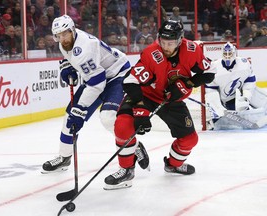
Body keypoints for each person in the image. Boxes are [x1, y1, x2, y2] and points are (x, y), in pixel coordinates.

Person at [104, 19, 216, 190]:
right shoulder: (151, 54)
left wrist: (188, 84)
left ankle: (173, 164)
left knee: (189, 139)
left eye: (170, 43)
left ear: (180, 40)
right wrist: (141, 106)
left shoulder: (192, 49)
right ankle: (126, 170)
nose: (165, 46)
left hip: (172, 100)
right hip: (145, 95)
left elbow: (209, 72)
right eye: (163, 42)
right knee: (122, 125)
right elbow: (130, 81)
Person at [41, 15, 149, 173]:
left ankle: (133, 144)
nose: (62, 38)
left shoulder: (85, 48)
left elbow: (97, 83)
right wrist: (66, 66)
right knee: (69, 118)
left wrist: (80, 109)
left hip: (116, 75)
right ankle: (64, 157)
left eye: (65, 33)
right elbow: (73, 60)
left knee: (108, 118)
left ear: (72, 30)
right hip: (96, 77)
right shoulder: (65, 43)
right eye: (59, 35)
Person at [205, 42, 267, 130]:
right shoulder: (214, 67)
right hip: (226, 100)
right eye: (225, 53)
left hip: (239, 94)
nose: (227, 56)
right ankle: (213, 120)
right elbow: (210, 90)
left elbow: (250, 81)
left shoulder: (244, 63)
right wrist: (217, 107)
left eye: (229, 53)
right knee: (222, 123)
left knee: (260, 102)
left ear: (234, 53)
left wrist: (246, 96)